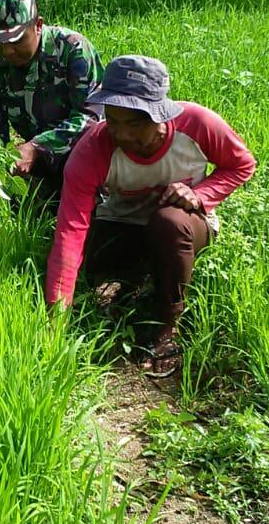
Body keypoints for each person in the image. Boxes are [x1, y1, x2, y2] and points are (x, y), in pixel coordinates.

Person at [45, 55, 256, 377]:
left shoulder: (198, 124)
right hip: (122, 223)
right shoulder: (93, 148)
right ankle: (132, 280)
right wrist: (56, 319)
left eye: (135, 123)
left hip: (182, 224)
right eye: (113, 120)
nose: (122, 134)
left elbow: (241, 164)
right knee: (87, 255)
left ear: (160, 113)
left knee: (169, 224)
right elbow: (70, 231)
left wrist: (200, 195)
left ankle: (166, 324)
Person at [0, 0, 104, 200]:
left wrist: (36, 148)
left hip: (88, 158)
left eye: (16, 40)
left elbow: (91, 118)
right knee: (18, 198)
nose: (7, 51)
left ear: (38, 25)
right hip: (38, 165)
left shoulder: (73, 51)